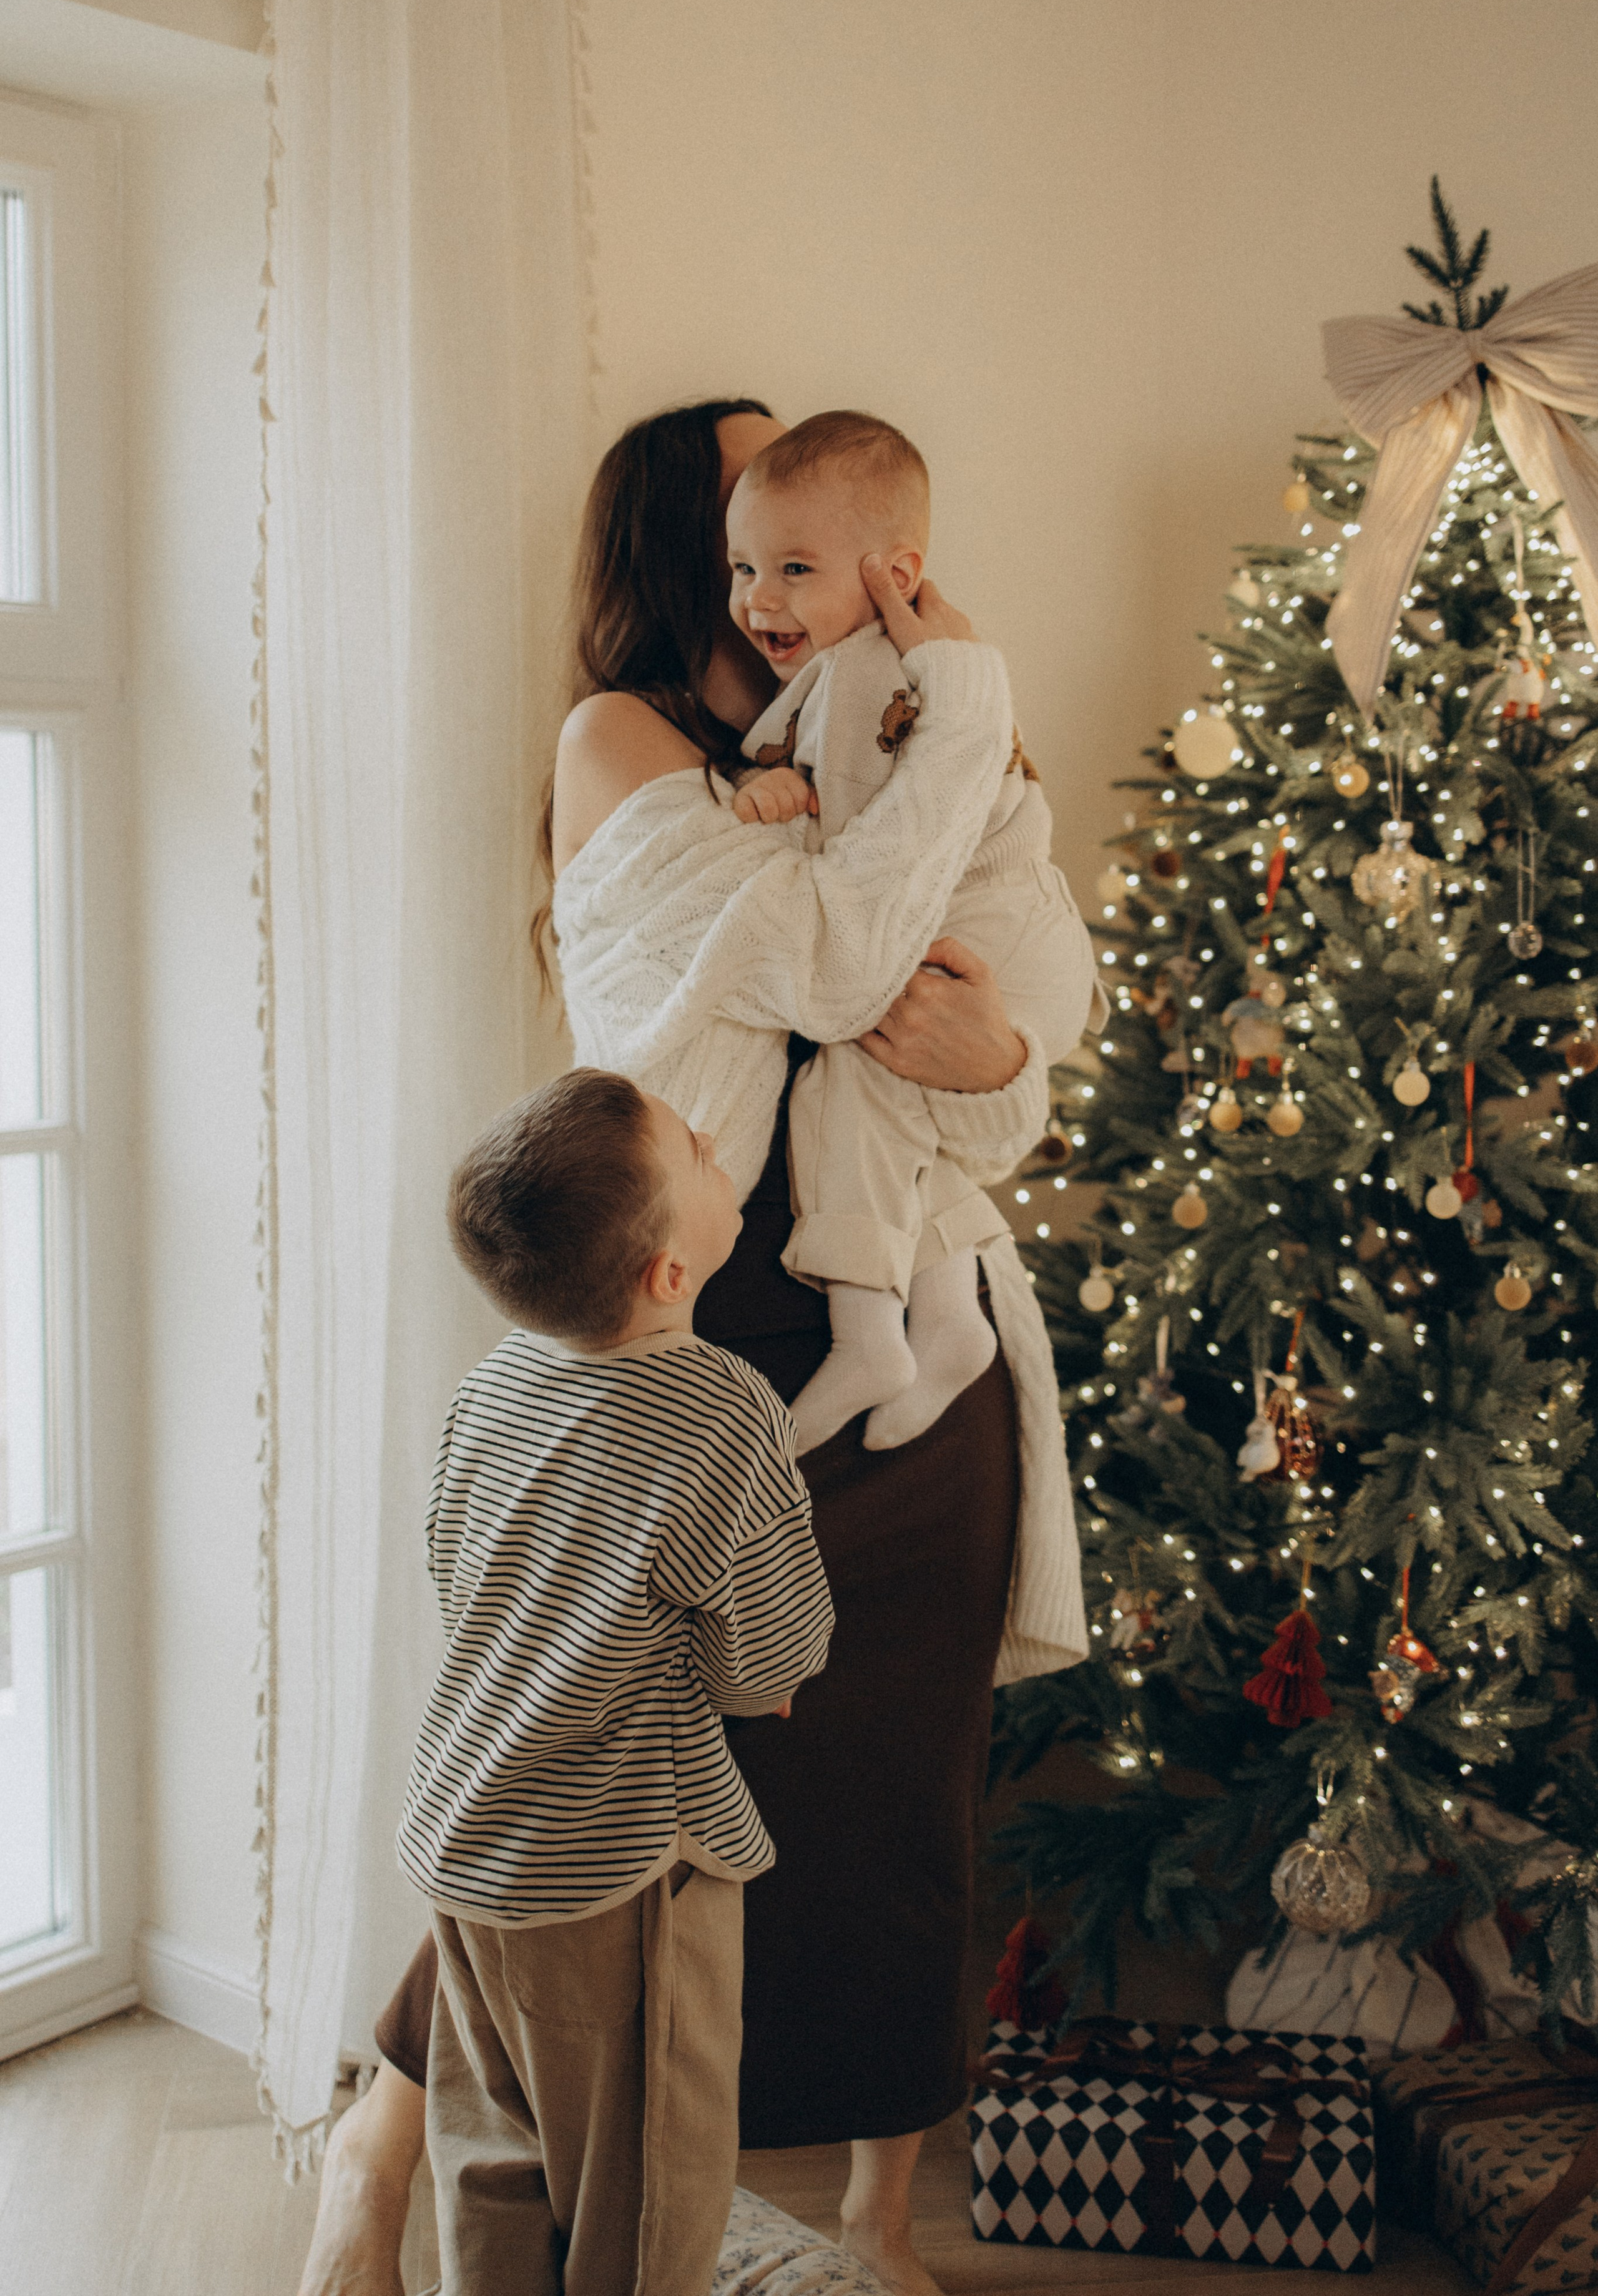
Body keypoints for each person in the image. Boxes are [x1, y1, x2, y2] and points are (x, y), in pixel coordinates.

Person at [295, 397, 1090, 2296]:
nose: (785, 554)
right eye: (744, 520)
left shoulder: (878, 719)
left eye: (802, 523)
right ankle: (382, 2141)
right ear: (688, 546)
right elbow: (830, 964)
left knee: (898, 1794)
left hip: (924, 1353)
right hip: (689, 1324)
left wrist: (1008, 1064)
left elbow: (1004, 1028)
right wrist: (953, 716)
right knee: (586, 1772)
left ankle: (880, 2225)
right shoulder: (627, 745)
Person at [399, 1067, 832, 2296]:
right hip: (616, 1867)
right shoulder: (718, 1411)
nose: (714, 1137)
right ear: (668, 1276)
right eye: (693, 1146)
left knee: (494, 2151)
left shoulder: (494, 1384)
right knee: (645, 2191)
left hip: (463, 1837)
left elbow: (456, 1572)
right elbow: (768, 1649)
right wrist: (754, 1679)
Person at [723, 410, 1095, 1455]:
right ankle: (947, 1322)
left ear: (896, 573)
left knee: (845, 1082)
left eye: (795, 567)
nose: (759, 598)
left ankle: (867, 1330)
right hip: (1026, 938)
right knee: (902, 1124)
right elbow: (860, 791)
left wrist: (777, 802)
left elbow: (872, 864)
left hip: (990, 937)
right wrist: (780, 777)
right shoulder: (877, 669)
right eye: (743, 565)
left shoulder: (887, 669)